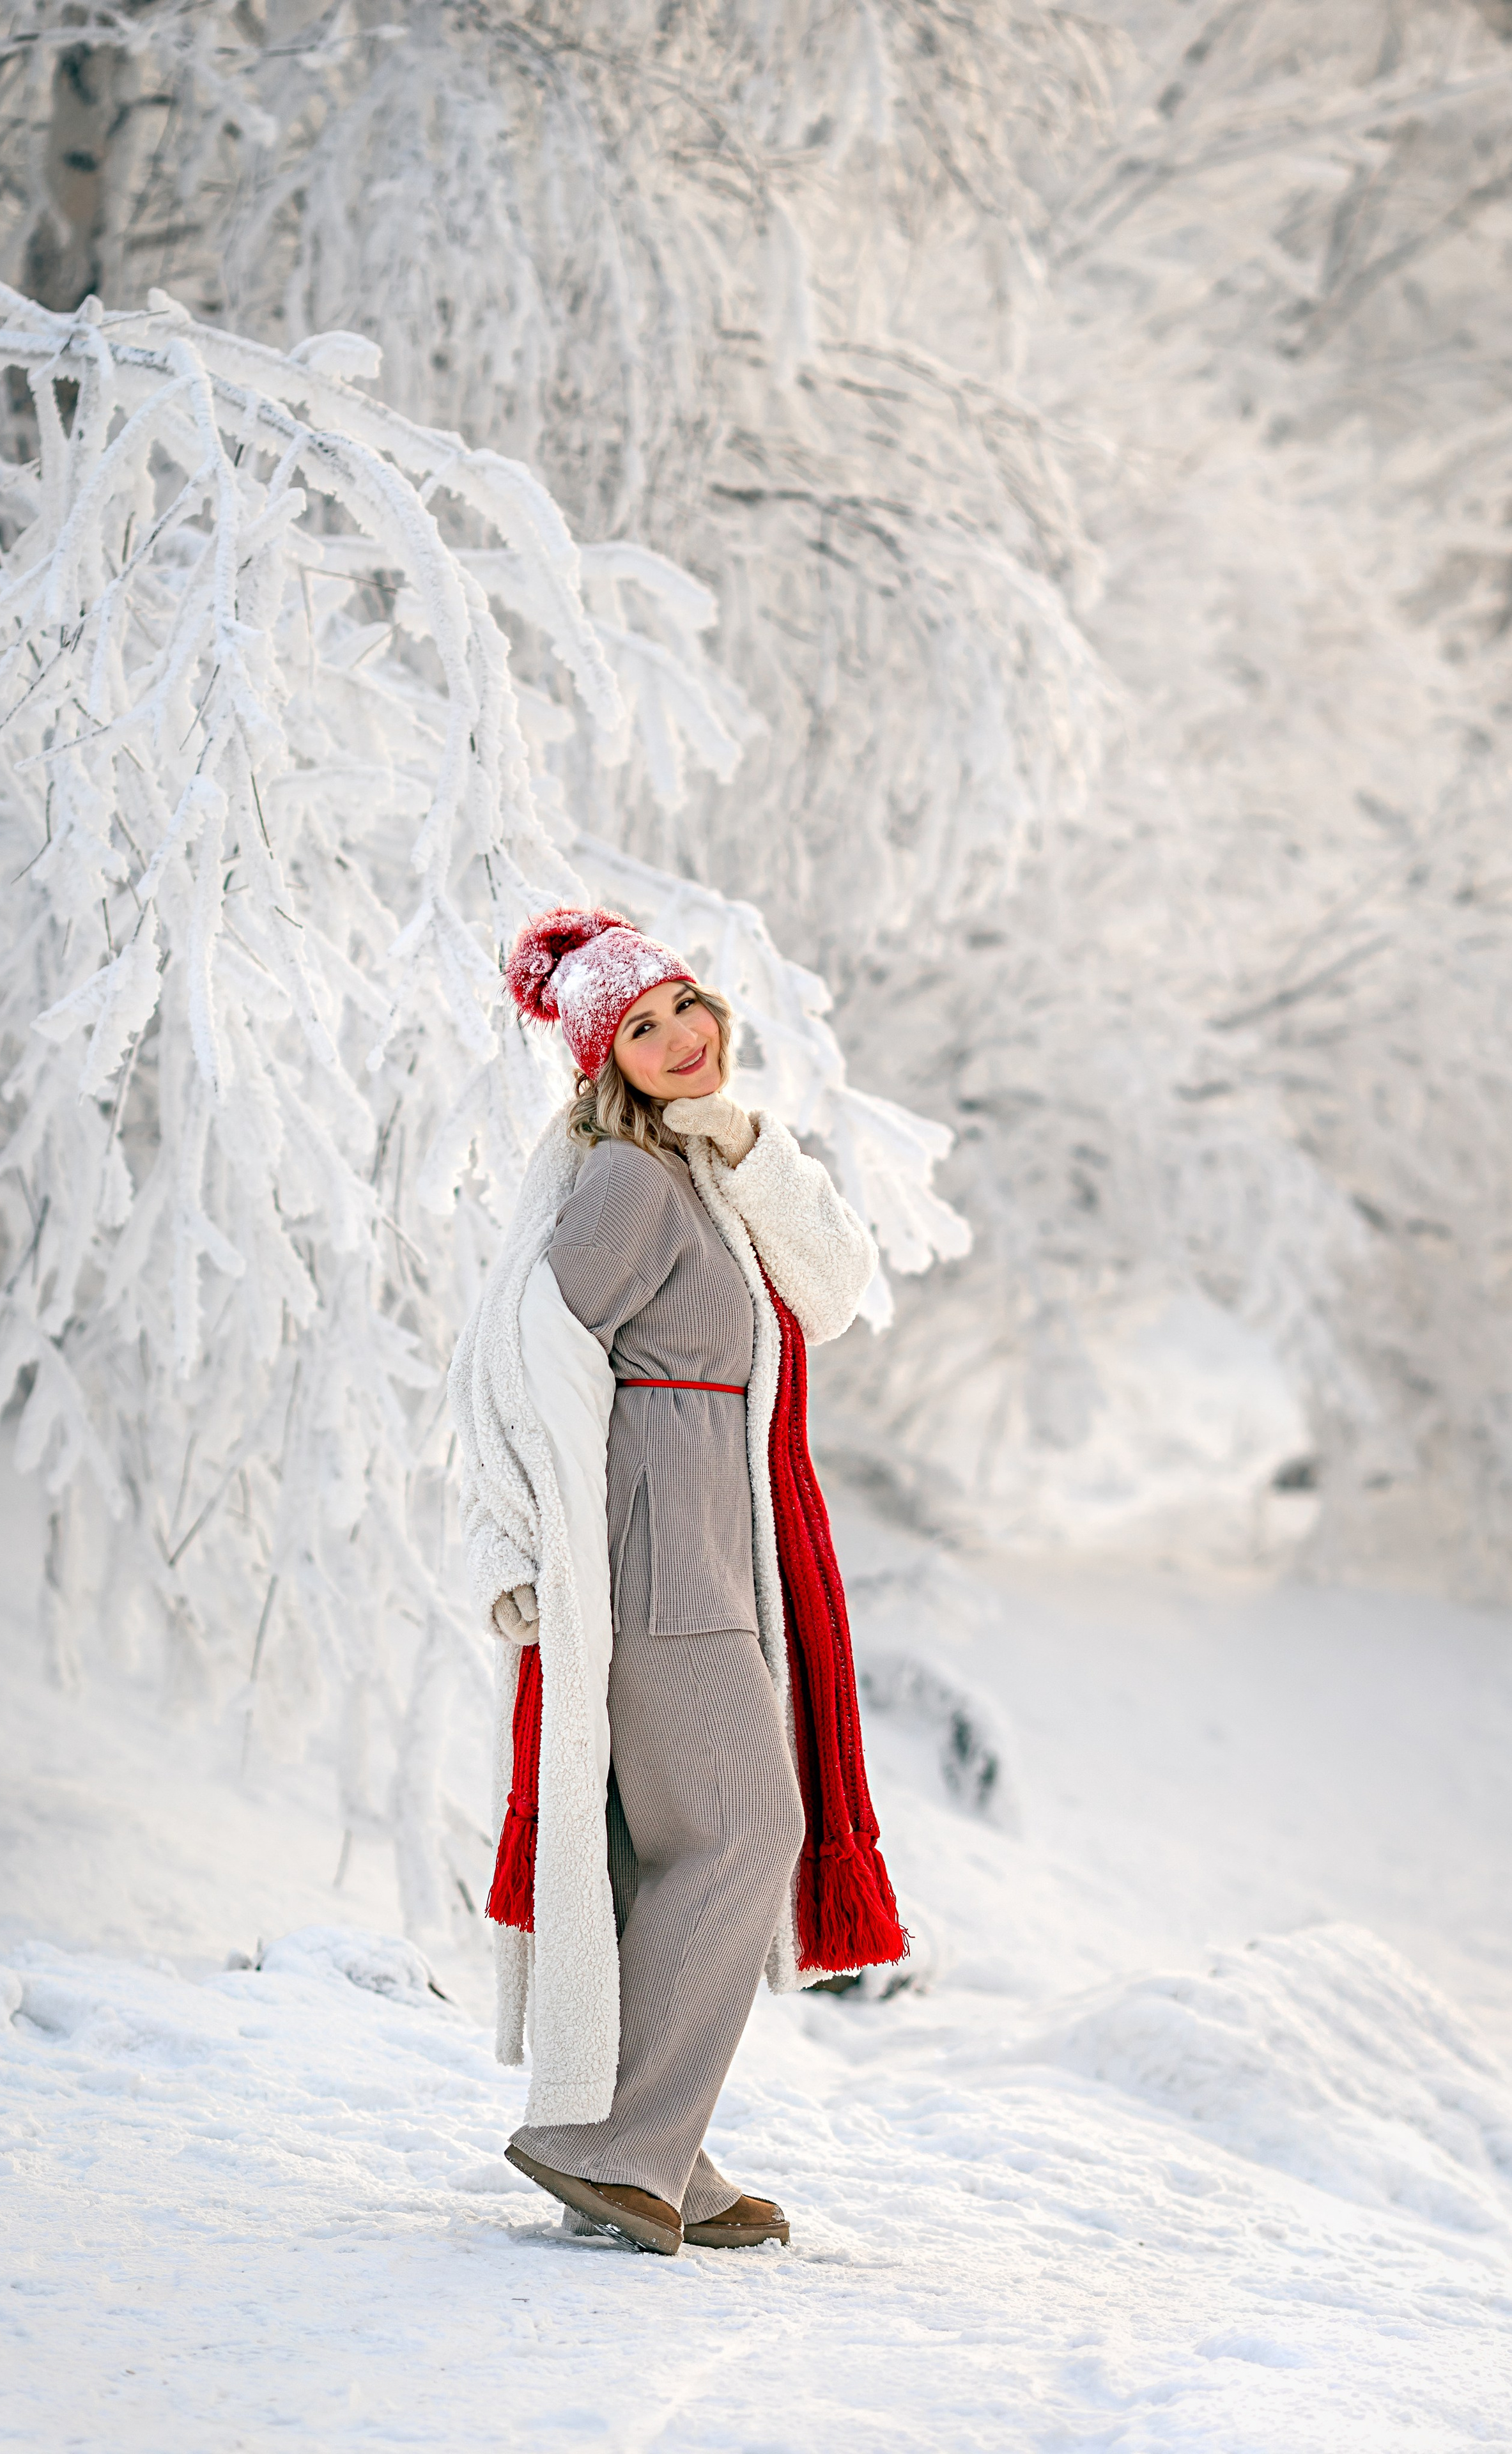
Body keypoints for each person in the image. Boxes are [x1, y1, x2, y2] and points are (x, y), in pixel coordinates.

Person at [449, 907, 905, 2258]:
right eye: (640, 1030)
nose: (679, 1039)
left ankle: (659, 2149)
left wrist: (751, 1149)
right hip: (657, 1547)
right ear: (605, 1060)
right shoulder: (628, 1186)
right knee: (747, 1827)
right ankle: (608, 2143)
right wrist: (523, 1545)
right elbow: (516, 1353)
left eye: (683, 1008)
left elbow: (830, 1288)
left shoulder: (700, 1170)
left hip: (709, 1539)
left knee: (676, 1854)